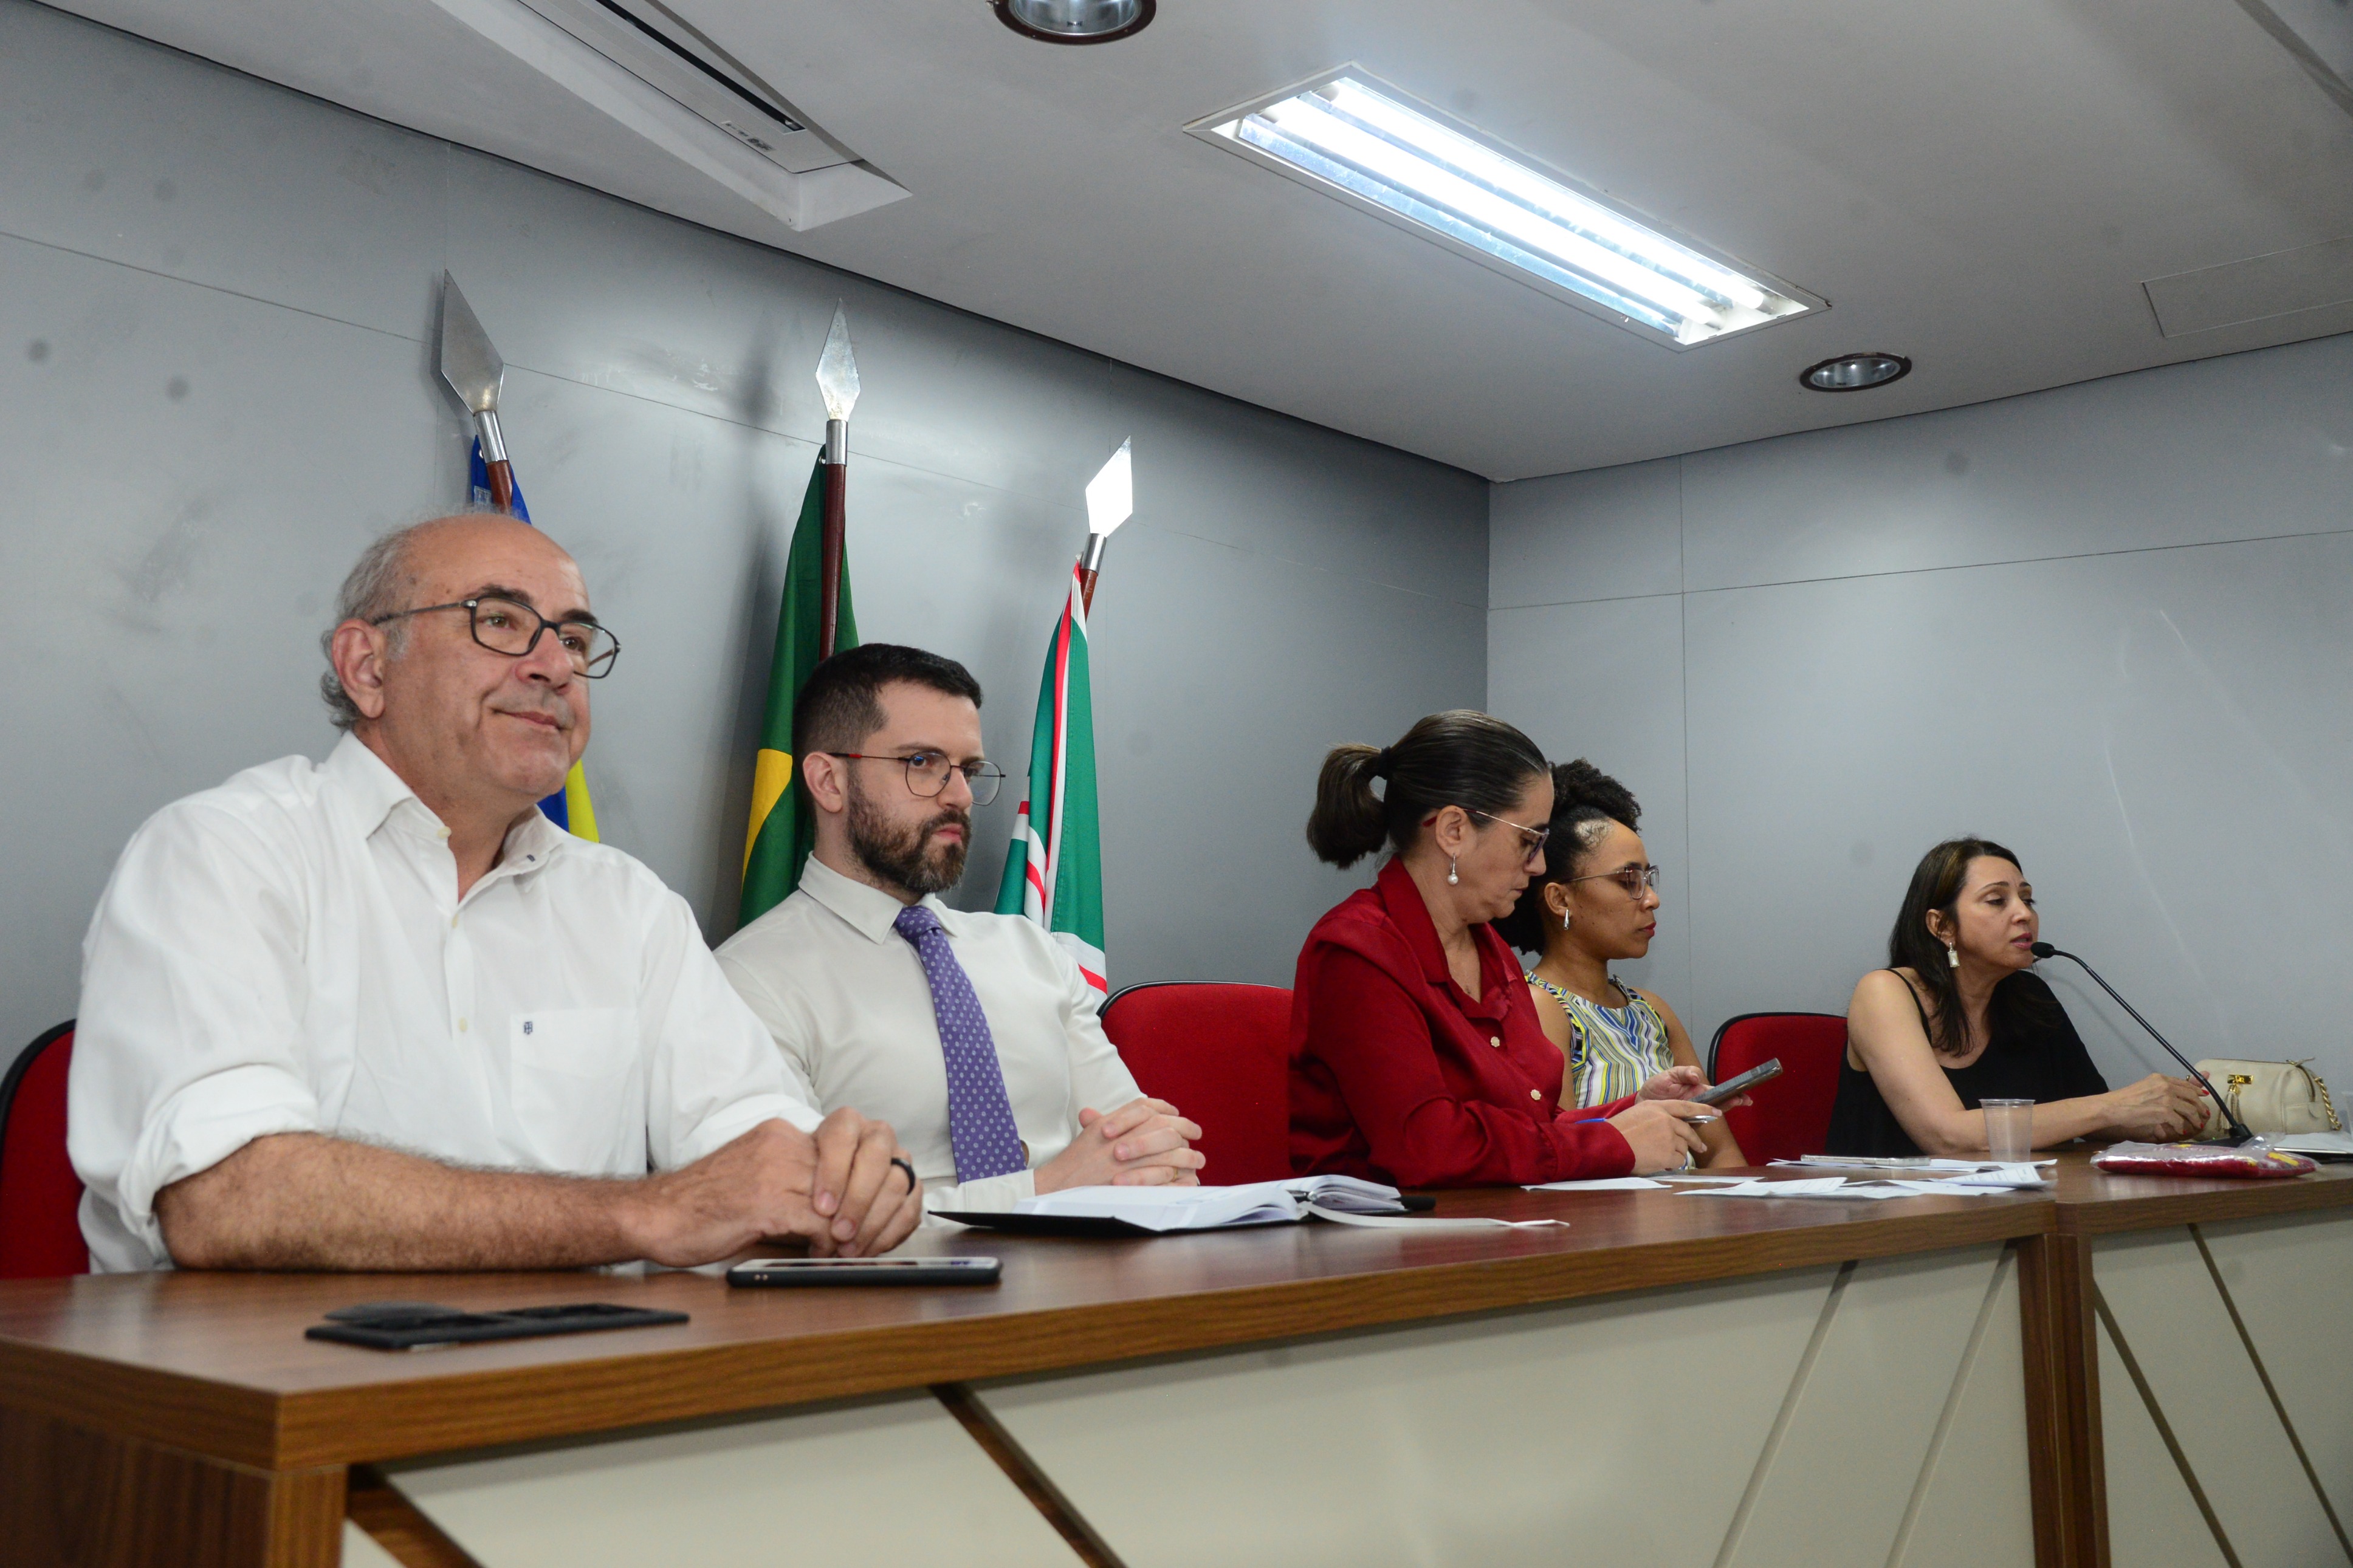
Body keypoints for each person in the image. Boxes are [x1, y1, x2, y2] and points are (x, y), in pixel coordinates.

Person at [69, 515, 924, 1272]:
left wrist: (838, 1181)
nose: (555, 667)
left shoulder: (628, 907)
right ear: (367, 666)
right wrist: (646, 1213)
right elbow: (225, 1197)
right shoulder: (223, 853)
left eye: (576, 641)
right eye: (500, 621)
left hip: (582, 1374)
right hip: (272, 1381)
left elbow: (757, 1150)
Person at [716, 643, 1201, 1213]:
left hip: (1096, 1263)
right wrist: (1042, 1191)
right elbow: (801, 1217)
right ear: (829, 781)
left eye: (967, 770)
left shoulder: (1033, 953)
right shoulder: (748, 981)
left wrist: (1151, 1163)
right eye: (922, 762)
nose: (962, 797)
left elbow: (1138, 1150)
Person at [1289, 711, 1717, 1186]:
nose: (1539, 866)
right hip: (1387, 1228)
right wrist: (1615, 1141)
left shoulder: (1490, 949)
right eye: (1528, 840)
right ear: (1454, 831)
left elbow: (1532, 1130)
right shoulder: (1357, 950)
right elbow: (1427, 1147)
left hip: (1489, 1218)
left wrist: (1634, 1111)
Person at [1828, 837, 2213, 1157]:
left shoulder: (2032, 998)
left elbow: (2094, 1121)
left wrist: (2166, 1113)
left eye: (2027, 900)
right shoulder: (1884, 993)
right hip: (1888, 1216)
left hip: (2010, 1208)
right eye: (1998, 901)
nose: (2023, 914)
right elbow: (1947, 1136)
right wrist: (2115, 1107)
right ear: (1942, 926)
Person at [1499, 761, 1748, 1168]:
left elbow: (1721, 1152)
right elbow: (1558, 1153)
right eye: (1628, 881)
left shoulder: (1652, 1010)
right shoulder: (1541, 1008)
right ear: (1561, 900)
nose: (1651, 899)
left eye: (1648, 879)